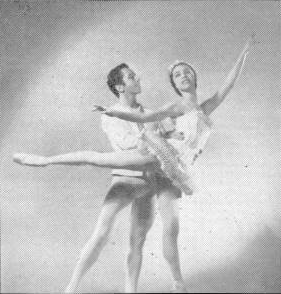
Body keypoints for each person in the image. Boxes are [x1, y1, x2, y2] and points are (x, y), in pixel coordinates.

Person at [13, 34, 256, 292]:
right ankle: (45, 161)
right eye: (177, 75)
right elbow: (141, 130)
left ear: (195, 78)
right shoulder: (162, 109)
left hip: (165, 173)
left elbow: (223, 89)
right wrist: (116, 112)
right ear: (121, 87)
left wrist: (245, 51)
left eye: (187, 73)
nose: (138, 78)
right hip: (140, 168)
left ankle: (161, 285)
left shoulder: (194, 109)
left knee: (155, 235)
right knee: (97, 164)